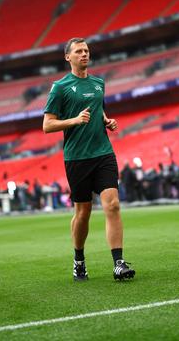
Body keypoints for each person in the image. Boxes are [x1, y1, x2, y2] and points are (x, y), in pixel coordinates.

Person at [43, 38, 135, 281]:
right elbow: (47, 124)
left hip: (103, 152)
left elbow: (98, 109)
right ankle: (79, 259)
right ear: (68, 57)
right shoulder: (60, 87)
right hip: (77, 158)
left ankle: (118, 263)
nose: (84, 54)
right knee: (83, 213)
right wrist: (74, 120)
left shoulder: (98, 83)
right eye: (78, 51)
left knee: (113, 204)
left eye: (86, 51)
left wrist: (106, 121)